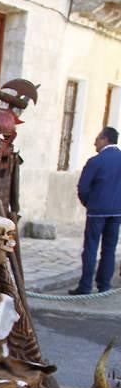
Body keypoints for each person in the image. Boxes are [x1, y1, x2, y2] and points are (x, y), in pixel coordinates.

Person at [70, 126, 121, 294]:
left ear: (105, 139)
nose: (94, 143)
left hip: (97, 211)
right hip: (117, 211)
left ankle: (85, 286)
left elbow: (83, 188)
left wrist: (89, 203)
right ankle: (104, 285)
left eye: (97, 139)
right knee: (109, 248)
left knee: (91, 247)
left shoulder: (96, 161)